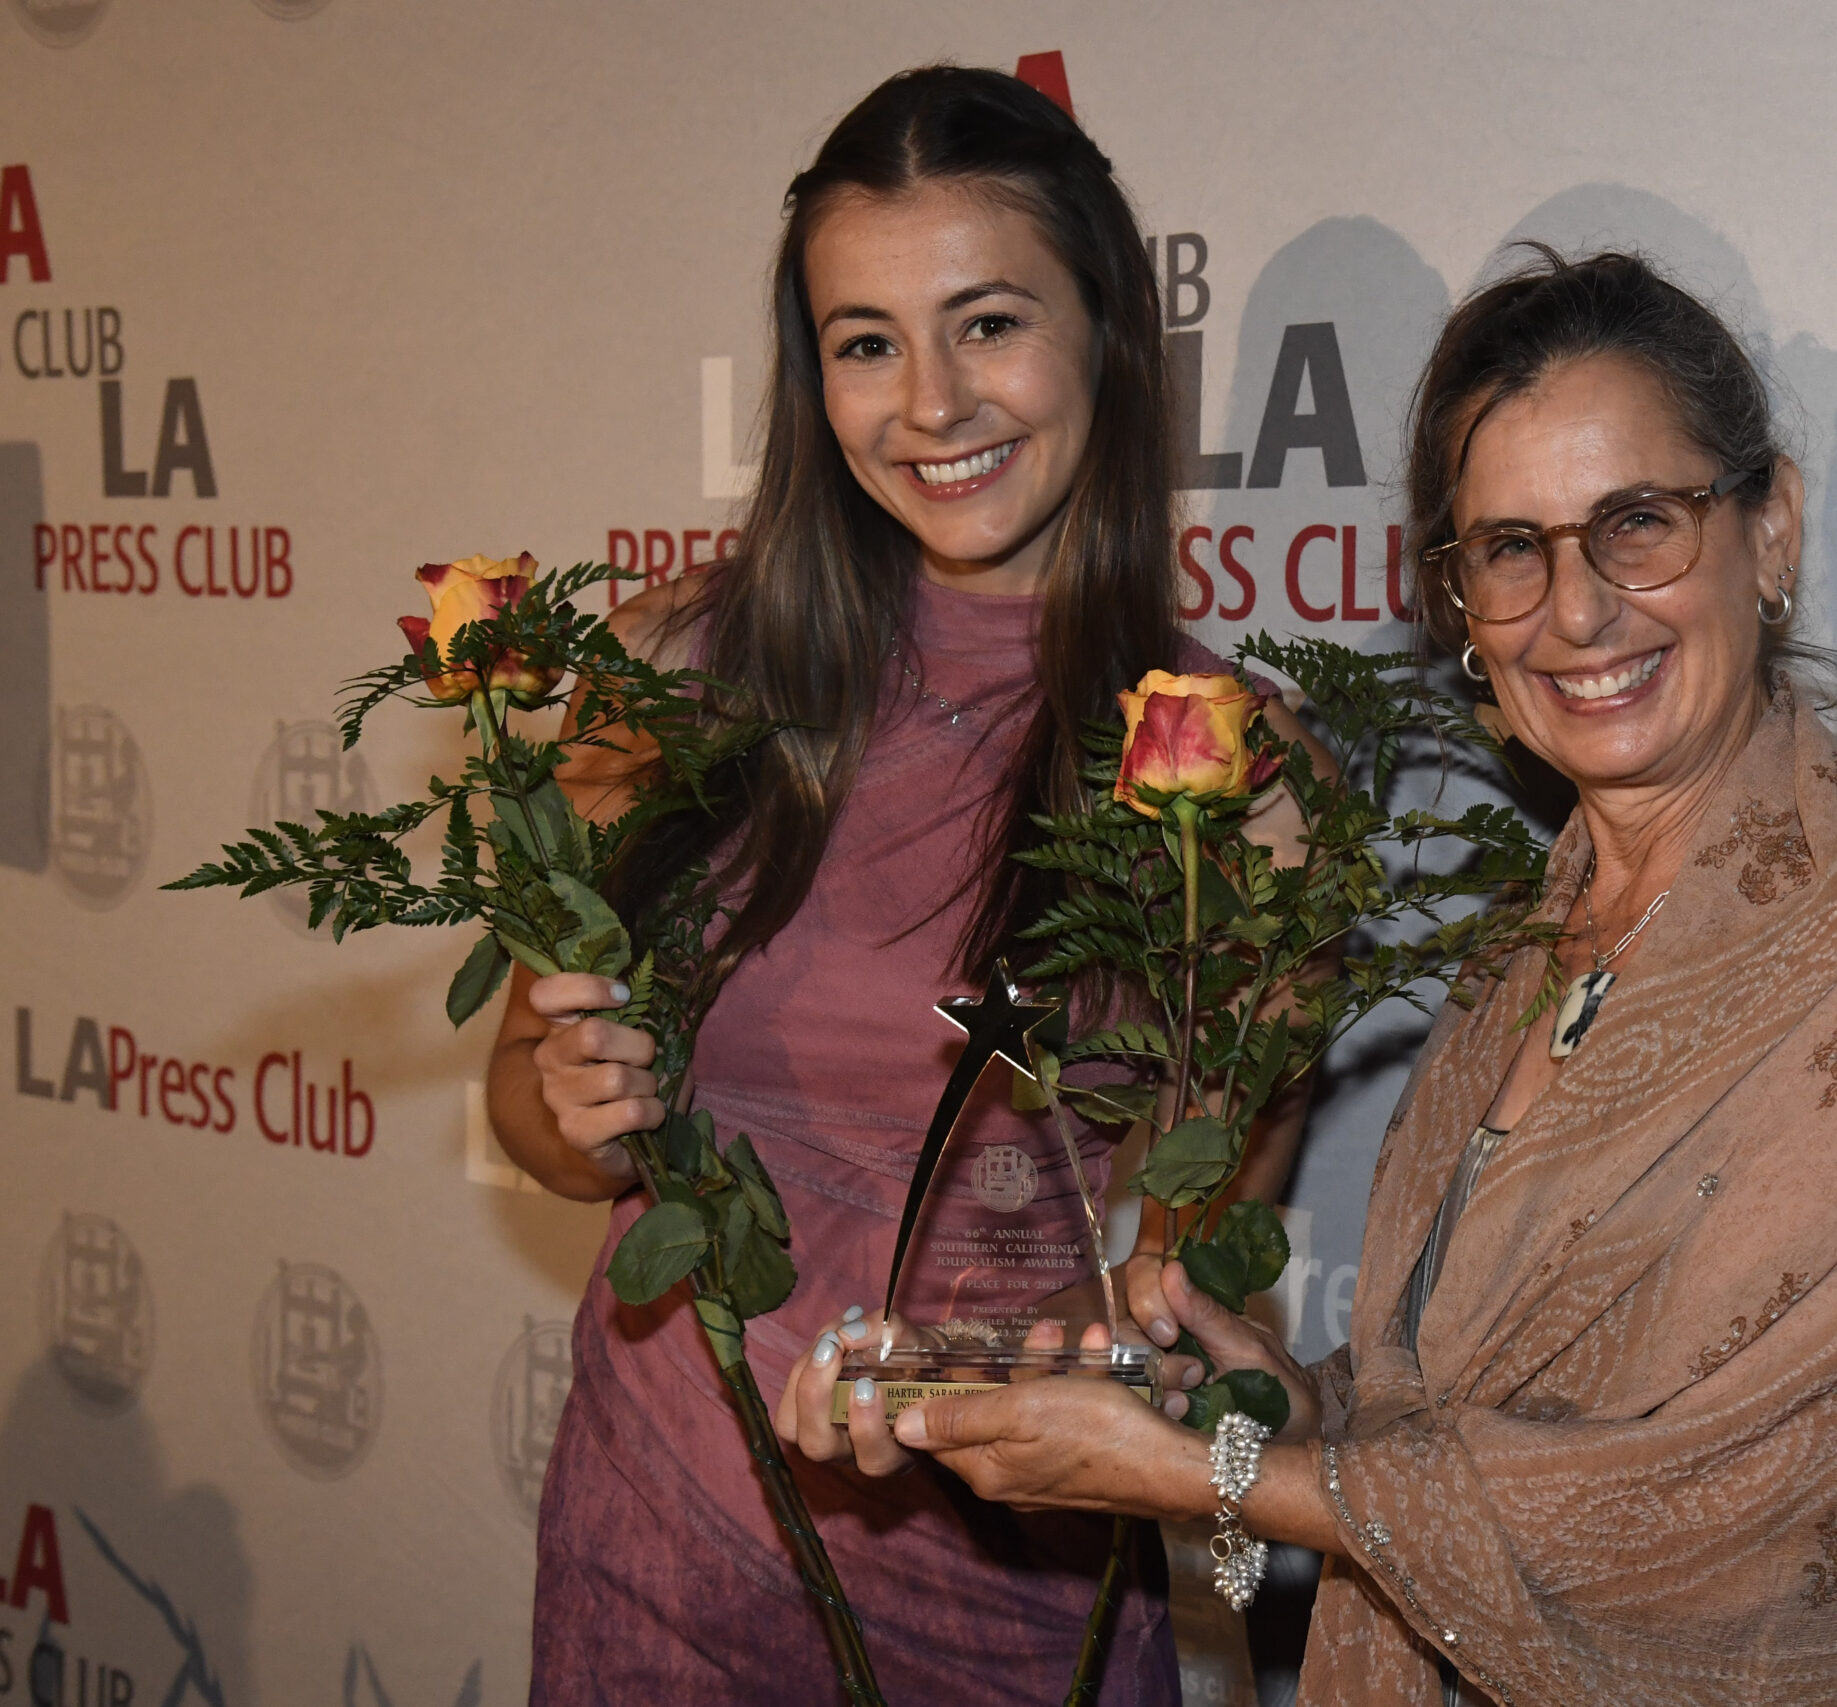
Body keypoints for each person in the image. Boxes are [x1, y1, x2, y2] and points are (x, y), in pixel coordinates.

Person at [839, 250, 1837, 1705]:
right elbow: (1444, 1428)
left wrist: (1204, 1475)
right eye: (1511, 550)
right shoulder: (1528, 947)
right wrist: (1252, 1414)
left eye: (1638, 525)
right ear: (1458, 601)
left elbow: (1710, 1509)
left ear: (1770, 529)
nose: (1578, 613)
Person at [484, 66, 1318, 1706]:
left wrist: (987, 1373)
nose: (931, 403)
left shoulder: (1229, 765)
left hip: (1011, 1591)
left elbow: (1189, 1262)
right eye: (867, 342)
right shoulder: (668, 670)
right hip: (657, 1549)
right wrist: (560, 1096)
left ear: (1110, 337)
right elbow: (531, 1118)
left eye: (988, 323)